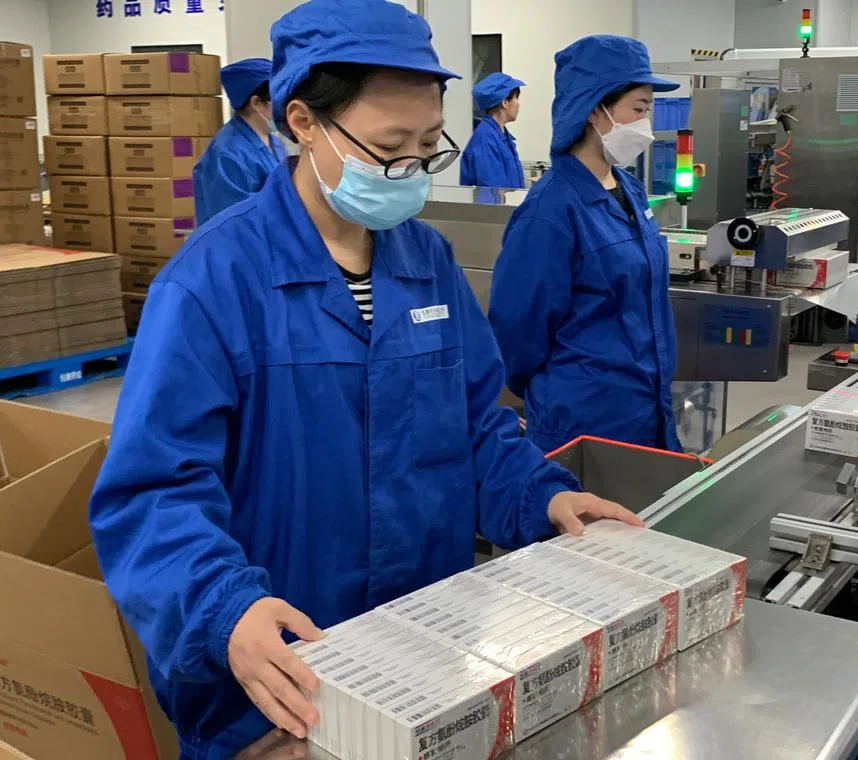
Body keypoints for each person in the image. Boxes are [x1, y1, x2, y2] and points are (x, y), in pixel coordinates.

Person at [87, 3, 641, 757]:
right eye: (388, 149)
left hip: (423, 664)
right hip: (279, 691)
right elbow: (153, 496)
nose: (408, 171)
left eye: (426, 147)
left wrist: (545, 498)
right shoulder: (214, 283)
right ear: (303, 123)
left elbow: (479, 430)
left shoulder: (428, 263)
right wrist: (224, 611)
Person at [488, 35, 682, 455]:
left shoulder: (629, 189)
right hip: (582, 419)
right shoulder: (551, 211)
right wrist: (555, 392)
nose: (645, 125)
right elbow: (518, 327)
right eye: (639, 108)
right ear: (595, 109)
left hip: (644, 406)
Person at [192, 58, 290, 224]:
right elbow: (234, 222)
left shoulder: (275, 142)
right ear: (256, 103)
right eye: (279, 100)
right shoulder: (227, 154)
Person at [459, 72, 526, 188]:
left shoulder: (501, 137)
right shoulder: (485, 140)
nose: (518, 104)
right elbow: (492, 193)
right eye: (516, 98)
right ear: (504, 102)